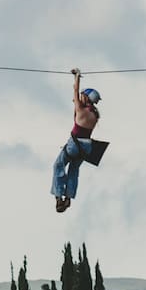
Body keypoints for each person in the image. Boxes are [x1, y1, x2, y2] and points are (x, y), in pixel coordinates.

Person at [52, 68, 101, 213]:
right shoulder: (95, 115)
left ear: (87, 98)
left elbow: (75, 91)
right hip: (86, 147)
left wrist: (77, 76)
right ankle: (68, 197)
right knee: (73, 171)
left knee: (58, 165)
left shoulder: (81, 109)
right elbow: (77, 98)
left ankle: (58, 196)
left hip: (74, 144)